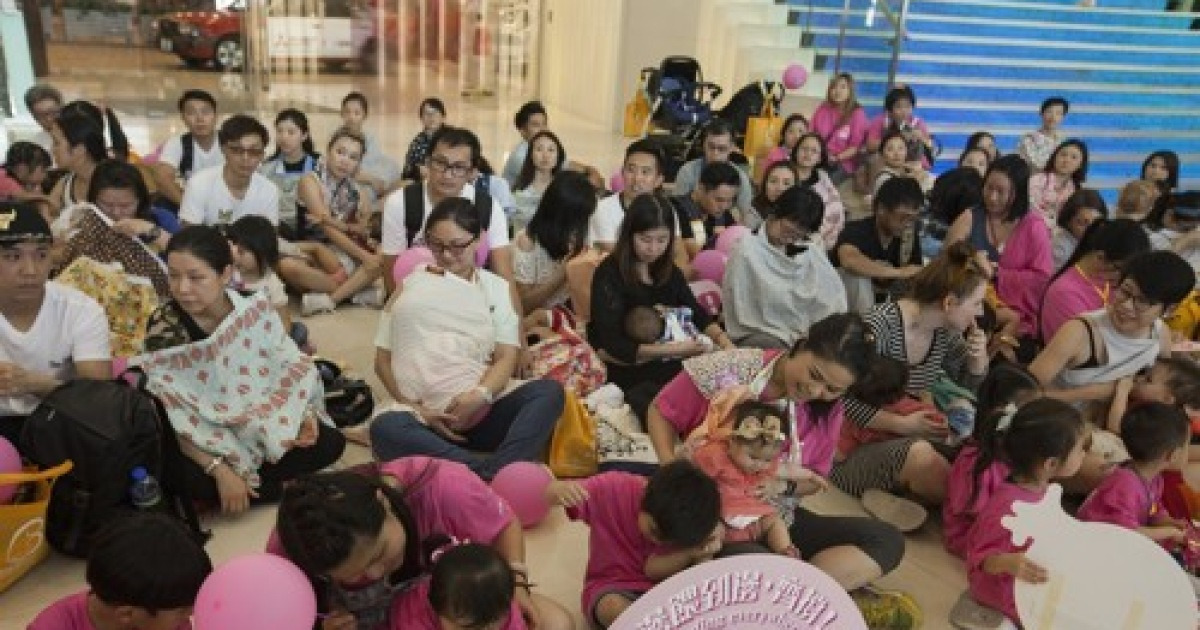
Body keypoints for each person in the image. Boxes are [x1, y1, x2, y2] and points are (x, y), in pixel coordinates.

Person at [644, 314, 918, 623]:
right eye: (814, 375)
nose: (817, 392)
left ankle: (791, 600)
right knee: (753, 564)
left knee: (886, 540)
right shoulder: (733, 369)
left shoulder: (827, 411)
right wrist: (671, 470)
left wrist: (782, 487)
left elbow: (816, 478)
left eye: (833, 389)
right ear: (801, 344)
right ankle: (808, 598)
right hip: (712, 523)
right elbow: (662, 411)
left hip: (773, 517)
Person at [141, 226, 345, 513]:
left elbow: (290, 367)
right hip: (209, 435)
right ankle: (272, 486)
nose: (182, 288)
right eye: (173, 275)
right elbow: (169, 412)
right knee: (183, 476)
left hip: (264, 421)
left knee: (331, 442)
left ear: (225, 274)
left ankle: (254, 488)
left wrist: (303, 416)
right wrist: (218, 468)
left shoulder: (252, 308)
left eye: (196, 277)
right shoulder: (165, 327)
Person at [369, 198, 564, 479]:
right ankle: (488, 472)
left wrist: (479, 396)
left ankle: (484, 467)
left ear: (478, 240)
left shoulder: (496, 289)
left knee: (548, 393)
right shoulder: (412, 283)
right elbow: (382, 360)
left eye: (457, 246)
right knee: (385, 429)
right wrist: (417, 409)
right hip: (422, 419)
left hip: (479, 412)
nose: (447, 255)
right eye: (436, 245)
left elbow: (505, 358)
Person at [275, 460, 574, 630]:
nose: (378, 573)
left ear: (384, 502)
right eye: (356, 575)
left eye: (379, 553)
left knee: (557, 623)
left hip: (456, 604)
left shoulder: (445, 488)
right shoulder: (295, 546)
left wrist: (518, 583)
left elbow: (506, 524)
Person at [835, 242, 990, 511]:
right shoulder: (879, 325)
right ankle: (978, 517)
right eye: (976, 304)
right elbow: (837, 399)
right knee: (923, 458)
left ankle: (907, 495)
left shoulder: (944, 332)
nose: (980, 313)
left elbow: (970, 385)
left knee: (976, 457)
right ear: (949, 302)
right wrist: (901, 424)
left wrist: (978, 363)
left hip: (898, 436)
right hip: (846, 451)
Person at [588, 193, 734, 419]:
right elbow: (614, 344)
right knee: (669, 399)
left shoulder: (668, 270)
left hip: (674, 354)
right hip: (630, 363)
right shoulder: (610, 273)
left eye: (662, 240)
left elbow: (697, 314)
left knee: (716, 384)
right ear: (629, 234)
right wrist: (675, 350)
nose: (653, 249)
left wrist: (725, 343)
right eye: (645, 239)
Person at [545, 459, 723, 628]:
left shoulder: (691, 523)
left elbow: (655, 570)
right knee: (613, 608)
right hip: (612, 586)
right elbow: (550, 494)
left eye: (668, 540)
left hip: (668, 592)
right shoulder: (614, 488)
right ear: (645, 493)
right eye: (653, 530)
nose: (658, 540)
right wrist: (557, 490)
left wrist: (701, 551)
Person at [966, 398, 1088, 625]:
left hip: (1027, 578)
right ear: (1051, 464)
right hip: (1000, 592)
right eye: (1081, 449)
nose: (1084, 455)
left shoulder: (1043, 488)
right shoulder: (1007, 506)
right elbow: (980, 559)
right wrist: (1008, 562)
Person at [0, 201, 111, 446]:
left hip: (58, 421)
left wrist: (33, 384)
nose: (30, 270)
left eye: (41, 255)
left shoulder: (81, 310)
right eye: (12, 256)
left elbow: (99, 399)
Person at [1030, 250, 1194, 406]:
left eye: (1142, 301)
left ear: (1170, 309)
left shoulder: (1159, 335)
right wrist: (1090, 393)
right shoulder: (1079, 332)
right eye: (1125, 291)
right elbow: (1023, 394)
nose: (1126, 306)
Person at [381, 126, 514, 294]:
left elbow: (504, 279)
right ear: (428, 162)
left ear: (472, 172)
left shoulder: (488, 208)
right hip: (417, 297)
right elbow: (391, 275)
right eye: (440, 163)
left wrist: (517, 319)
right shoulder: (401, 203)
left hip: (471, 298)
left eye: (458, 167)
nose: (447, 174)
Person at [27, 513, 212, 630]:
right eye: (181, 612)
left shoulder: (165, 618)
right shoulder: (54, 625)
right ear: (127, 615)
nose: (191, 616)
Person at [723, 185, 846, 349]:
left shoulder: (808, 249)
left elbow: (832, 296)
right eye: (788, 229)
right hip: (762, 331)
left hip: (805, 330)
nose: (791, 238)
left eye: (799, 234)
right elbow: (743, 307)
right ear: (775, 213)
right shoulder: (746, 250)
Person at [943, 361, 1043, 558]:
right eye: (1030, 410)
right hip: (970, 535)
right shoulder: (976, 459)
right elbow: (976, 514)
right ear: (1004, 412)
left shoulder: (1015, 450)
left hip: (1003, 525)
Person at [945, 154, 1050, 340]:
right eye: (988, 188)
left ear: (1016, 194)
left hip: (1019, 314)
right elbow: (947, 262)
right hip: (969, 303)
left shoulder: (1034, 227)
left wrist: (997, 274)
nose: (992, 197)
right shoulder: (969, 217)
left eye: (1001, 191)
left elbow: (1041, 280)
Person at [291, 127, 384, 315]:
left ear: (358, 163)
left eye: (353, 157)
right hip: (313, 254)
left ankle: (330, 299)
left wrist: (363, 234)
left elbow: (365, 229)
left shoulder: (356, 190)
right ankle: (355, 292)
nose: (345, 161)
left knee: (382, 258)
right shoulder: (310, 181)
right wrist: (363, 256)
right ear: (328, 150)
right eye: (340, 152)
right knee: (289, 267)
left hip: (342, 255)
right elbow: (328, 229)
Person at [689, 400, 798, 556]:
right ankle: (701, 562)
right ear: (732, 441)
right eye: (753, 457)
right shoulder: (716, 456)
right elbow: (695, 479)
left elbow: (786, 471)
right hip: (721, 519)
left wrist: (773, 485)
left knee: (774, 521)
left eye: (767, 460)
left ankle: (786, 552)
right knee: (709, 533)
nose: (759, 465)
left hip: (754, 519)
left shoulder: (767, 465)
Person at [1078, 402, 1191, 543]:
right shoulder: (1124, 484)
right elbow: (1126, 532)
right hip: (1093, 542)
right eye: (1187, 445)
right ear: (1172, 455)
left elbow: (1153, 508)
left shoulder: (1154, 478)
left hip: (1119, 539)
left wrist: (1168, 522)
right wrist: (1169, 532)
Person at [589, 139, 691, 274]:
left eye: (645, 172)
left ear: (658, 180)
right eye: (631, 170)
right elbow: (620, 261)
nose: (637, 178)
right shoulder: (603, 210)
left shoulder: (666, 209)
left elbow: (679, 254)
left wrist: (678, 278)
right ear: (622, 172)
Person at [1040, 218, 1150, 343]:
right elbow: (1084, 347)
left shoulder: (1108, 282)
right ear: (1100, 257)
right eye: (1120, 269)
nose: (1124, 279)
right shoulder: (1064, 293)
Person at [831, 176, 925, 313]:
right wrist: (896, 273)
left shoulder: (909, 236)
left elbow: (914, 268)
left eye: (914, 218)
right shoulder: (856, 229)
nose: (909, 223)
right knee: (856, 278)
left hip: (886, 300)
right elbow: (849, 260)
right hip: (846, 303)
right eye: (904, 217)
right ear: (881, 209)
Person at [389, 540, 527, 630]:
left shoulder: (499, 603)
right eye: (468, 628)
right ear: (435, 607)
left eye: (494, 622)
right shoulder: (412, 619)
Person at [512, 171, 596, 318]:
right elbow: (522, 305)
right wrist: (563, 274)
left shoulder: (581, 230)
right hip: (536, 320)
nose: (581, 225)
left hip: (573, 312)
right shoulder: (528, 242)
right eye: (578, 218)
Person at [178, 115, 280, 227]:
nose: (245, 158)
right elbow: (190, 238)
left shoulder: (269, 190)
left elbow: (269, 239)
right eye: (237, 150)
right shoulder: (199, 184)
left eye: (254, 151)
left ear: (262, 156)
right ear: (223, 149)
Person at [500, 100, 602, 189]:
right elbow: (550, 184)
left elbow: (566, 164)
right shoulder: (520, 157)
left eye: (544, 124)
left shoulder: (545, 146)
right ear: (523, 131)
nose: (543, 129)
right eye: (536, 125)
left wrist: (591, 171)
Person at [150, 90, 221, 208]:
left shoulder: (230, 142)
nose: (200, 118)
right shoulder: (177, 143)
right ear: (183, 117)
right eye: (191, 113)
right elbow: (162, 178)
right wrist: (188, 207)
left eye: (205, 112)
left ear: (215, 116)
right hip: (193, 201)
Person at [671, 119, 754, 214]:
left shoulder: (741, 178)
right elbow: (676, 210)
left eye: (721, 149)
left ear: (732, 148)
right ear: (703, 145)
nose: (715, 154)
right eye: (711, 147)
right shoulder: (688, 172)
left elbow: (744, 215)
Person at [258, 108, 319, 237]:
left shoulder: (319, 166)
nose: (284, 137)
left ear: (304, 135)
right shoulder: (266, 169)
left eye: (291, 132)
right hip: (275, 229)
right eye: (280, 131)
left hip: (311, 230)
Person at [340, 92, 400, 204]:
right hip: (348, 178)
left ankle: (379, 198)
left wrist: (371, 177)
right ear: (342, 114)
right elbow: (342, 166)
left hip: (366, 173)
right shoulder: (337, 137)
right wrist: (371, 179)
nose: (351, 117)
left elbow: (373, 163)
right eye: (347, 112)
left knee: (391, 165)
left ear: (364, 116)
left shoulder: (370, 137)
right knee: (363, 189)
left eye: (356, 113)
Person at [670, 161, 741, 256]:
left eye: (729, 200)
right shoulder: (676, 210)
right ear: (701, 189)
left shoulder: (724, 214)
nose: (724, 206)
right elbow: (691, 251)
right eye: (719, 200)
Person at [791, 132, 846, 249]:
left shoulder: (824, 179)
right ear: (795, 152)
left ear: (820, 158)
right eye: (804, 148)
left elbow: (835, 208)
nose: (808, 154)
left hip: (817, 235)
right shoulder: (786, 174)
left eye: (814, 151)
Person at [47, 109, 107, 215]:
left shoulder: (114, 183)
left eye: (56, 143)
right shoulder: (64, 185)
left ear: (79, 149)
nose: (52, 149)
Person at [811, 73, 868, 180]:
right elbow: (811, 134)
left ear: (850, 91)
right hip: (818, 156)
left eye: (843, 87)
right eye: (834, 86)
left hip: (842, 162)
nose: (837, 91)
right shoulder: (823, 108)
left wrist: (836, 158)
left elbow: (854, 148)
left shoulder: (857, 113)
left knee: (822, 184)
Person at [865, 85, 933, 168]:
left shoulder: (918, 123)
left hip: (914, 164)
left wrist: (921, 138)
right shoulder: (881, 121)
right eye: (898, 107)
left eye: (908, 106)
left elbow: (929, 146)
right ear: (890, 109)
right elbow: (870, 146)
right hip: (888, 163)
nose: (904, 111)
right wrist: (895, 138)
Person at [510, 130, 566, 232]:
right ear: (531, 155)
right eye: (539, 149)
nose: (545, 155)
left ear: (558, 156)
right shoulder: (520, 190)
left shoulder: (564, 189)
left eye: (551, 150)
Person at [1028, 139, 1088, 229]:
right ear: (1055, 157)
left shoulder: (1077, 191)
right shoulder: (1036, 180)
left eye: (1074, 157)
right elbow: (1031, 210)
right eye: (1063, 155)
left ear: (1080, 164)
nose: (1067, 160)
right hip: (1034, 229)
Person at [1051, 188, 1108, 269]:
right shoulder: (1059, 248)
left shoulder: (1100, 241)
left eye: (1096, 223)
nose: (1091, 229)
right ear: (1068, 221)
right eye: (1082, 223)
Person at [871, 129, 931, 196]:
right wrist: (916, 182)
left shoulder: (910, 172)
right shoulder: (883, 179)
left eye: (900, 148)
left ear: (906, 151)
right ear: (882, 155)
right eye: (890, 149)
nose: (897, 154)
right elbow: (900, 202)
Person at [1017, 96, 1069, 171]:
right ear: (1041, 113)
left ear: (1063, 117)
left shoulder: (1064, 142)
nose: (1053, 117)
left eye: (1058, 113)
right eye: (1049, 111)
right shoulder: (1028, 139)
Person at [402, 97, 446, 181]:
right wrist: (417, 170)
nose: (431, 117)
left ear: (443, 116)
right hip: (421, 181)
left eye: (435, 113)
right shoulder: (417, 141)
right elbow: (406, 170)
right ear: (421, 118)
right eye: (426, 113)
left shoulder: (453, 138)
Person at [0, 142, 53, 208]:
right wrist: (47, 198)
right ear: (22, 168)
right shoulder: (3, 176)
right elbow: (22, 196)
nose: (45, 175)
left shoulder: (24, 181)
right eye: (43, 170)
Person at [748, 160, 797, 231]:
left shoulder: (801, 215)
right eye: (773, 181)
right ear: (765, 184)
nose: (779, 188)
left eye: (786, 183)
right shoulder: (752, 214)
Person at [24, 84, 63, 158]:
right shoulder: (36, 145)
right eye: (41, 115)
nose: (49, 119)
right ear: (34, 118)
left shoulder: (80, 135)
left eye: (52, 112)